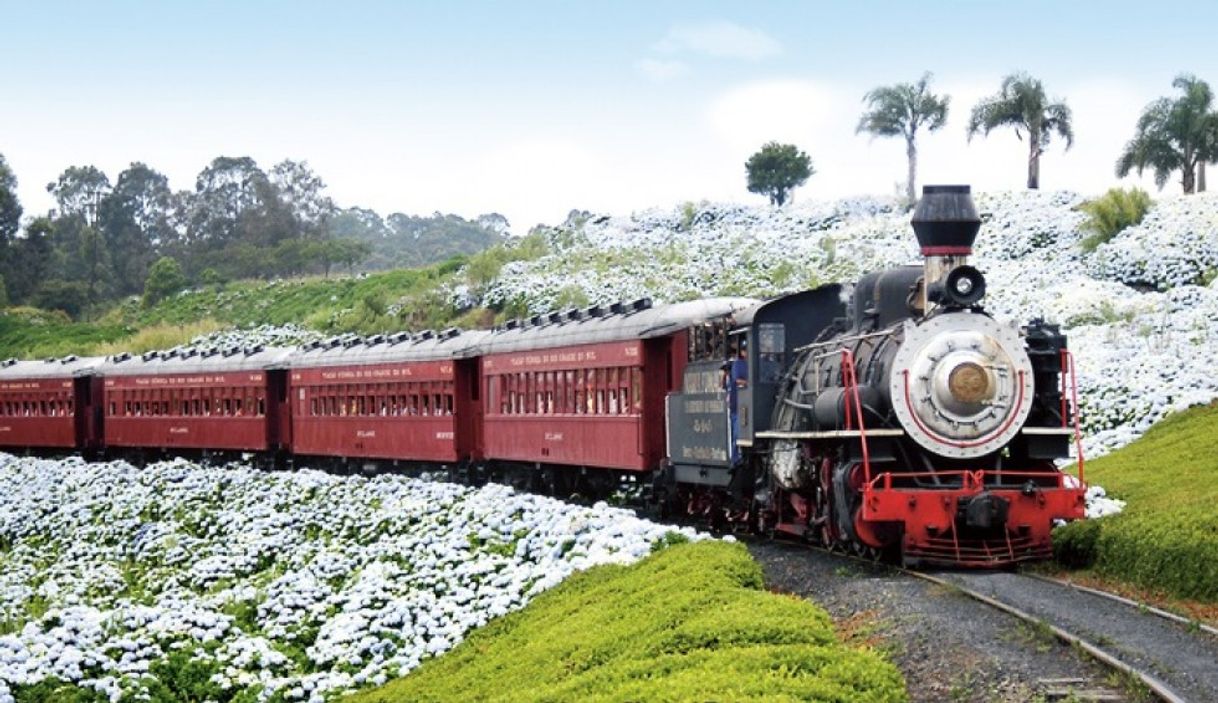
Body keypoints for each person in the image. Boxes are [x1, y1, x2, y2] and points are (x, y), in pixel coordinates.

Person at [724, 340, 748, 466]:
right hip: (738, 404)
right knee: (737, 433)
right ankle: (735, 458)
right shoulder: (738, 364)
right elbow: (738, 380)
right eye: (745, 350)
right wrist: (750, 383)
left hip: (746, 404)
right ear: (743, 351)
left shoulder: (756, 363)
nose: (747, 352)